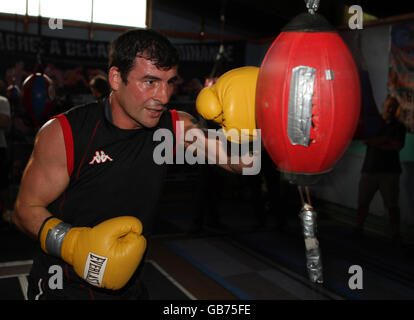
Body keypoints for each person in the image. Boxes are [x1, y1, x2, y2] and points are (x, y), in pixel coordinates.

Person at [13, 29, 259, 300]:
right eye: (150, 82)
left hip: (129, 284)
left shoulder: (172, 127)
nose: (163, 96)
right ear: (116, 78)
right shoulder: (66, 133)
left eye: (169, 82)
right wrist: (71, 244)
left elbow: (244, 162)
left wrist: (256, 121)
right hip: (64, 286)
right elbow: (25, 210)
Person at [355, 94, 406, 244]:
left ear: (396, 109)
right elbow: (366, 140)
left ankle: (396, 234)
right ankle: (358, 228)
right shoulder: (373, 122)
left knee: (392, 205)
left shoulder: (399, 126)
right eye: (388, 106)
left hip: (390, 172)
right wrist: (385, 141)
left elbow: (397, 146)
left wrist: (377, 142)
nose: (389, 109)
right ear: (383, 105)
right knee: (363, 202)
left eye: (393, 107)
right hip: (370, 169)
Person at [0, 93, 11, 226]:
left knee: (2, 182)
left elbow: (5, 122)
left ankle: (6, 213)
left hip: (0, 147)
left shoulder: (2, 101)